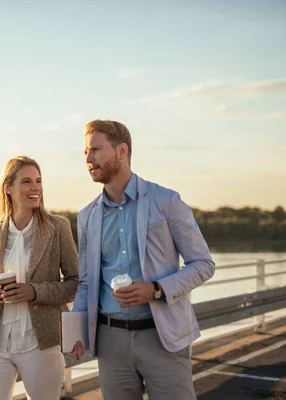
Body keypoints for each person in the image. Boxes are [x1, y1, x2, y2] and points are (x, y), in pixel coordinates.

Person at [69, 120, 215, 400]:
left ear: (121, 151)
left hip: (163, 337)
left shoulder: (166, 201)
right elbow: (87, 281)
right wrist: (76, 328)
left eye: (96, 149)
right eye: (85, 152)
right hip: (110, 342)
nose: (88, 158)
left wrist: (156, 289)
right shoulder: (87, 216)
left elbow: (203, 264)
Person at [0, 155, 79, 400]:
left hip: (40, 344)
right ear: (9, 188)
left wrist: (34, 291)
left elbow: (74, 282)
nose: (35, 187)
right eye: (27, 181)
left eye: (38, 181)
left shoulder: (58, 227)